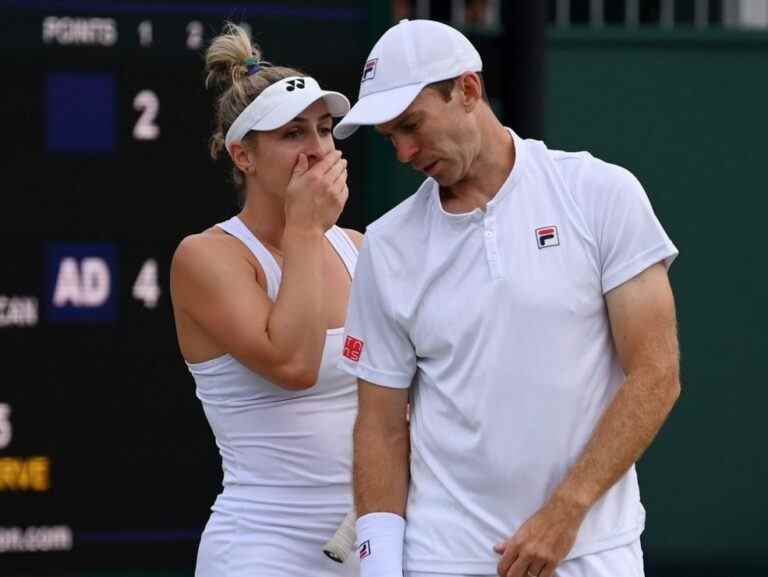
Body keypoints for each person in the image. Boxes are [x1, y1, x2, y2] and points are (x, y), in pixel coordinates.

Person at [334, 19, 680, 577]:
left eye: (412, 125)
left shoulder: (600, 193)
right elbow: (379, 426)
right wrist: (378, 566)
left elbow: (656, 373)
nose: (403, 151)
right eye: (389, 137)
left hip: (591, 552)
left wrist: (567, 512)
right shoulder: (387, 245)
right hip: (442, 558)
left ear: (468, 90)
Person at [169, 23, 362, 577]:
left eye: (325, 130)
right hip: (260, 550)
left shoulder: (360, 250)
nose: (318, 149)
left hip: (366, 550)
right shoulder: (207, 257)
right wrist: (304, 230)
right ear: (243, 156)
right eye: (293, 134)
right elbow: (294, 365)